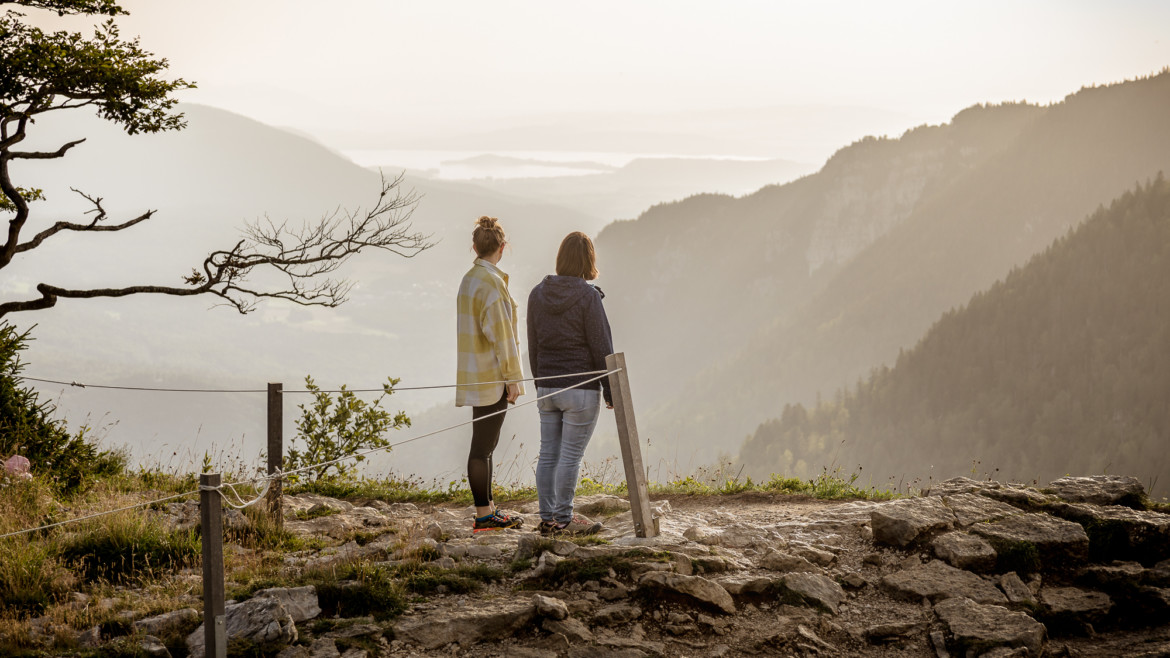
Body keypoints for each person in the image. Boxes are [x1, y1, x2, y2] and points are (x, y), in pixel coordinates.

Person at [527, 231, 614, 535]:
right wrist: (609, 391)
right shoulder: (589, 297)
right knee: (570, 457)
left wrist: (541, 384)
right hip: (580, 388)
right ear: (588, 260)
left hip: (547, 386)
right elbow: (602, 346)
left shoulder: (537, 294)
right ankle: (563, 518)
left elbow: (533, 344)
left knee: (548, 453)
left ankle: (548, 517)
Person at [456, 216, 525, 532]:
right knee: (482, 449)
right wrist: (513, 378)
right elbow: (503, 337)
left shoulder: (469, 279)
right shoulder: (493, 284)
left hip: (473, 374)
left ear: (474, 247)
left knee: (484, 447)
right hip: (492, 377)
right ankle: (484, 515)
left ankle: (490, 509)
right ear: (502, 247)